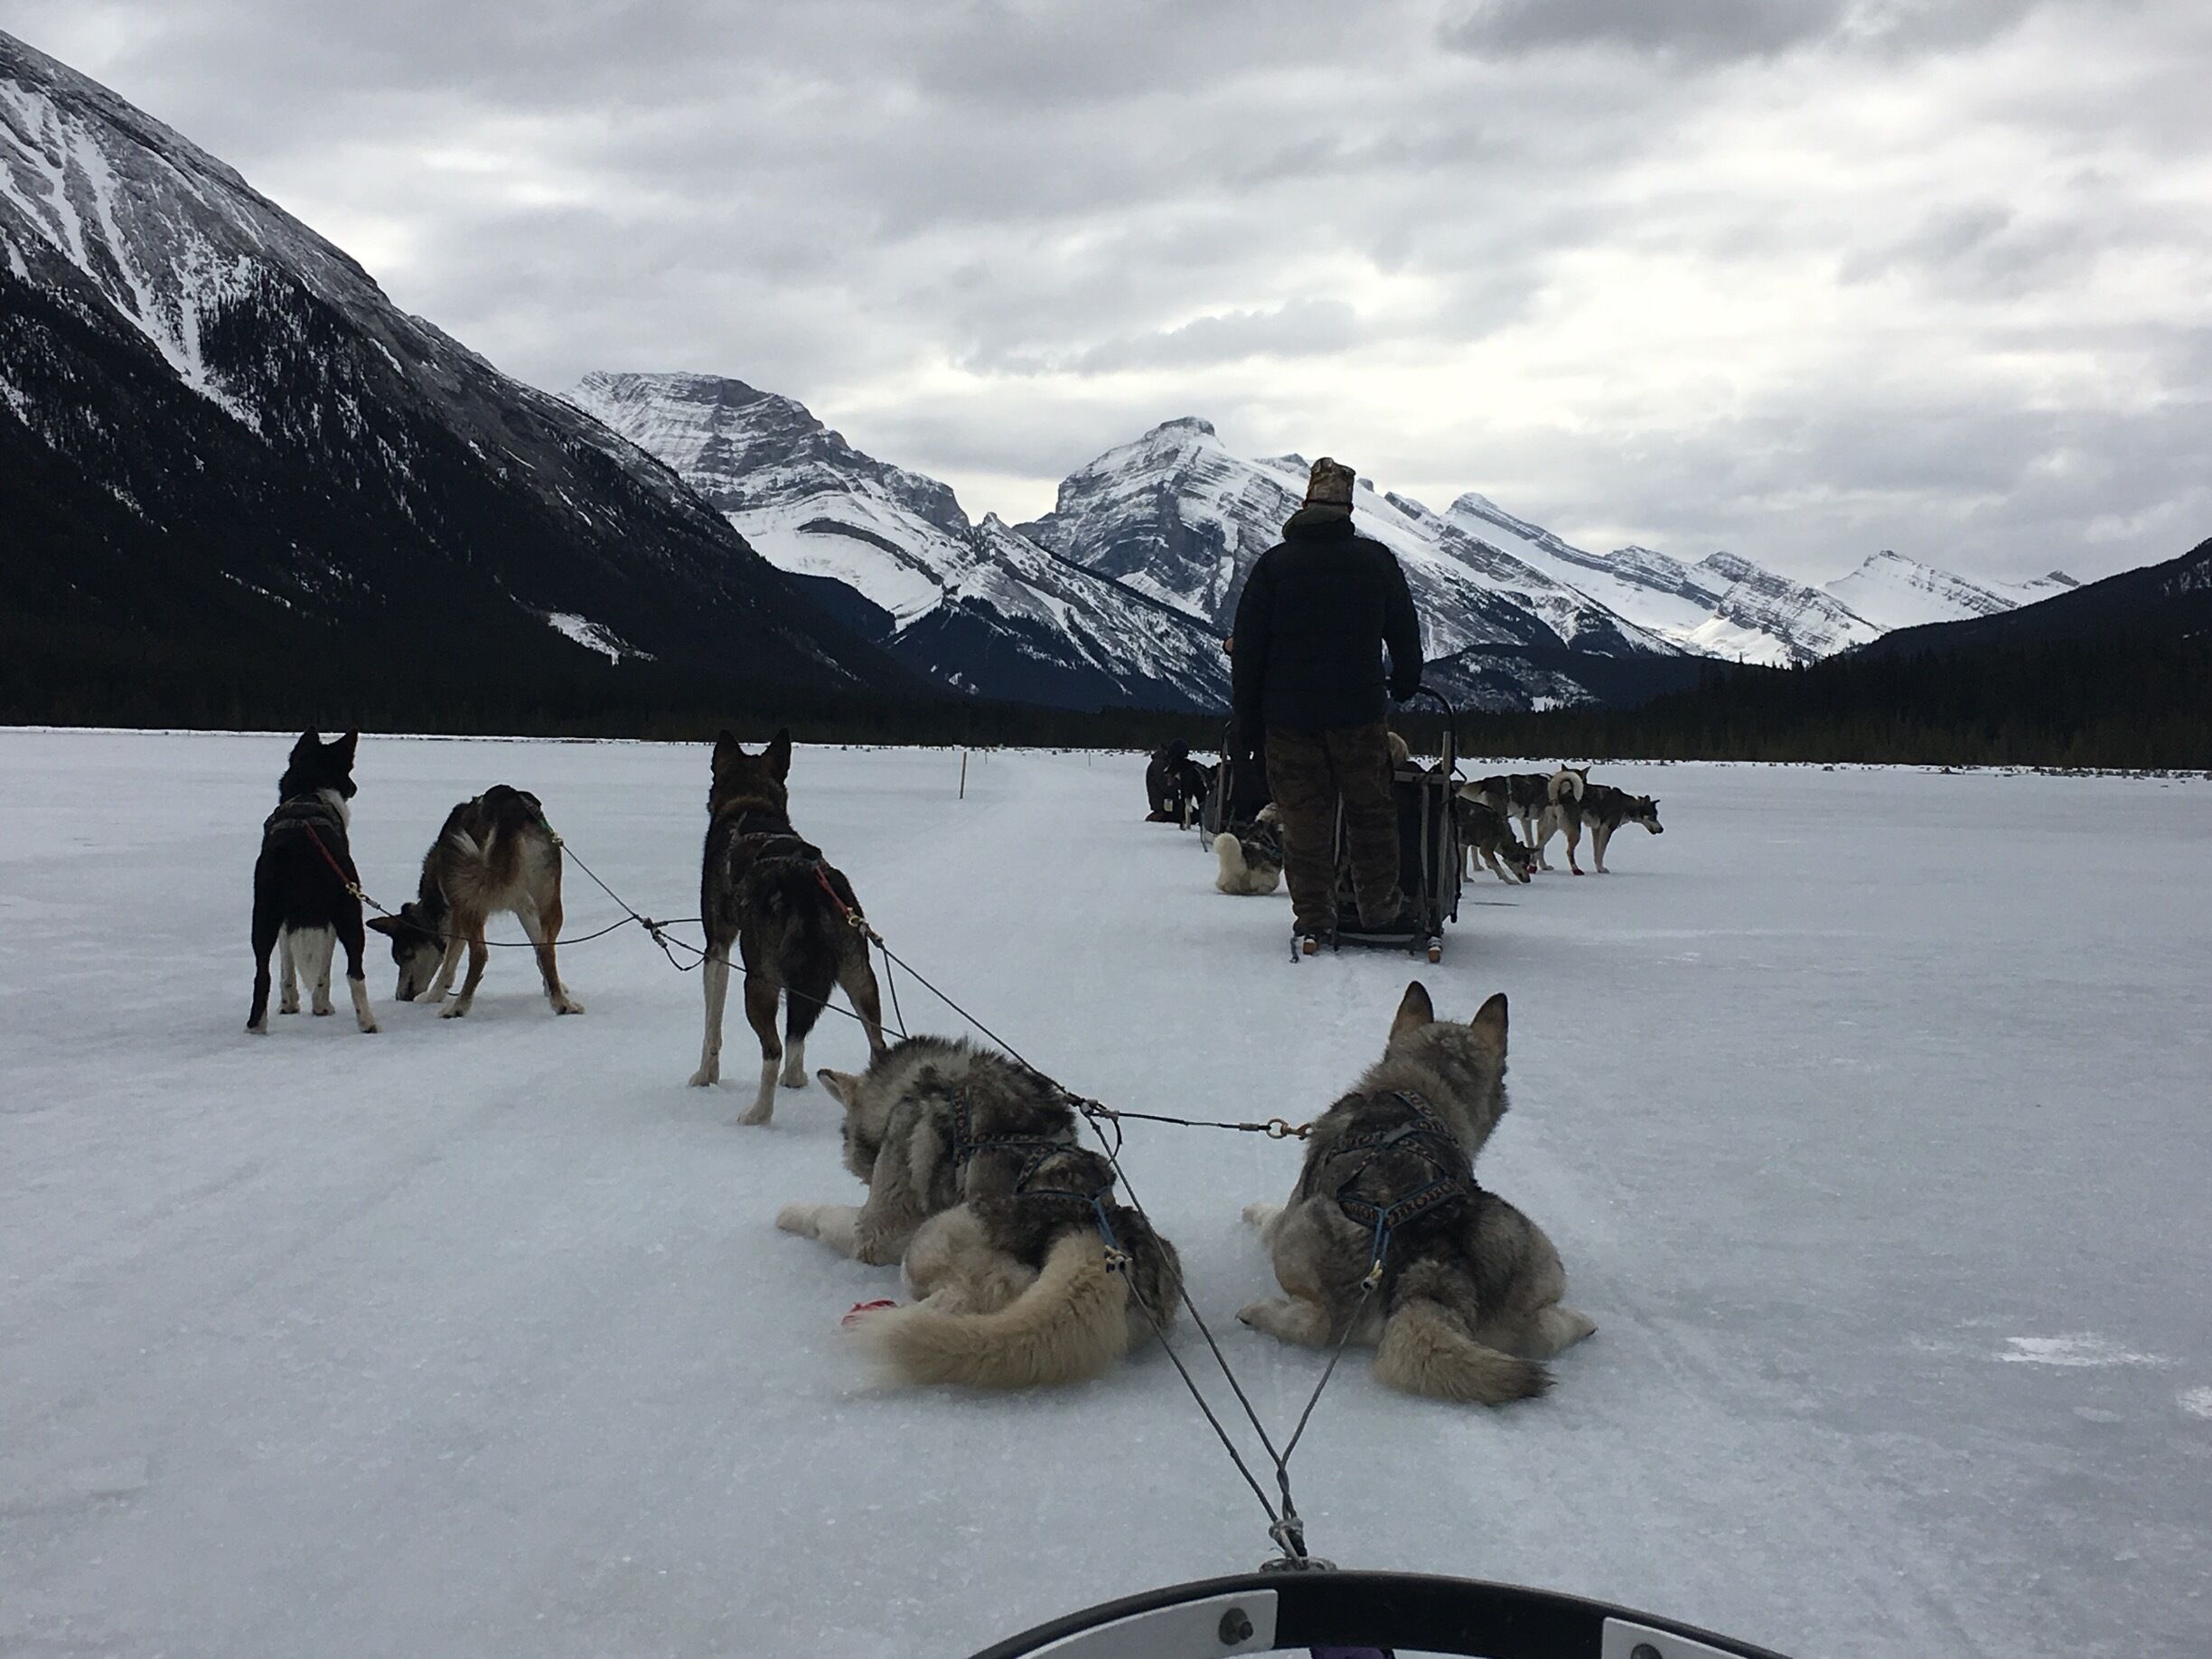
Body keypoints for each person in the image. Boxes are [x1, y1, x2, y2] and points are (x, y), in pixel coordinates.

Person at [1230, 456, 1422, 953]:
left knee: (1304, 823)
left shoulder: (1274, 565)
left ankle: (1314, 918)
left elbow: (1248, 652)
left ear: (1305, 504)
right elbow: (1403, 631)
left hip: (1289, 719)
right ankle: (1379, 907)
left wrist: (1248, 723)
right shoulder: (1375, 560)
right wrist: (1404, 681)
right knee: (1371, 814)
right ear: (1348, 509)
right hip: (1357, 714)